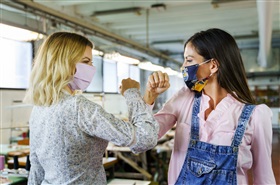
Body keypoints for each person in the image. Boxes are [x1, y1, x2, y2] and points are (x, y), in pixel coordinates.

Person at [24, 32, 159, 185]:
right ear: (65, 63)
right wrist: (132, 93)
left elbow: (36, 168)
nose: (92, 68)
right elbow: (144, 138)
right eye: (86, 61)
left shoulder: (39, 109)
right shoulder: (78, 107)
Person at [144, 28, 276, 184]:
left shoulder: (255, 116)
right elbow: (144, 139)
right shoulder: (184, 98)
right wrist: (150, 96)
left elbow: (264, 177)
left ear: (213, 65)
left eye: (189, 60)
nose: (183, 66)